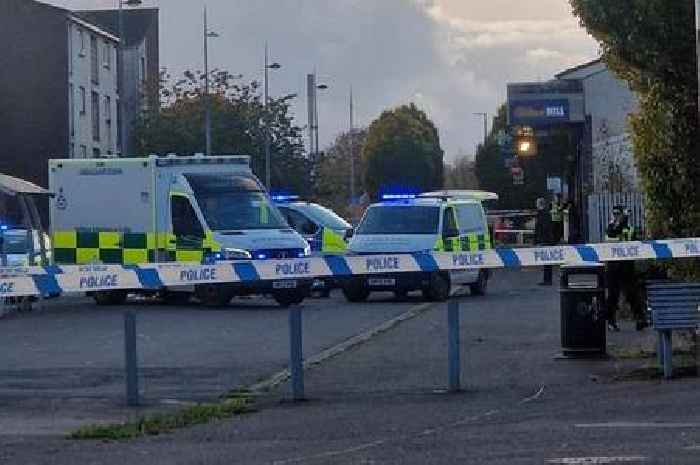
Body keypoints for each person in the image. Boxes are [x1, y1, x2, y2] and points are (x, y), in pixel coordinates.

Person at [605, 205, 647, 331]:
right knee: (613, 295)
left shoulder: (630, 229)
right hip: (613, 266)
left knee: (632, 294)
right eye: (615, 214)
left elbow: (635, 243)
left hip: (627, 266)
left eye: (619, 214)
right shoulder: (610, 227)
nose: (617, 216)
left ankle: (640, 319)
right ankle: (610, 321)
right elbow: (612, 235)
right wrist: (621, 222)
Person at [535, 197, 554, 285]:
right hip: (547, 239)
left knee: (547, 261)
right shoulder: (545, 213)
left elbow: (543, 228)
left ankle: (547, 280)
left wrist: (540, 240)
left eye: (537, 203)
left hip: (546, 240)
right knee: (546, 261)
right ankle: (547, 279)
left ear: (540, 204)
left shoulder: (543, 214)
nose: (536, 204)